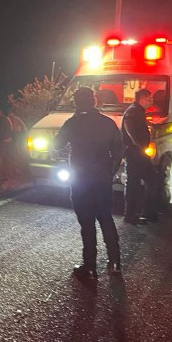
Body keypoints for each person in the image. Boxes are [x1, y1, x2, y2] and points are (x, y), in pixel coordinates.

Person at [53, 87, 123, 279]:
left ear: (76, 102)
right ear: (94, 101)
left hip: (80, 179)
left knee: (87, 222)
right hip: (101, 178)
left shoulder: (71, 123)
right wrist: (110, 172)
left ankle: (90, 267)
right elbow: (118, 152)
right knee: (105, 218)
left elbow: (56, 145)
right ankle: (115, 262)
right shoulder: (108, 123)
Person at [121, 88, 157, 224]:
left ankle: (136, 213)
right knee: (136, 183)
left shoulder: (137, 111)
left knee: (137, 182)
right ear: (142, 99)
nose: (151, 101)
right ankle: (134, 214)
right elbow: (130, 130)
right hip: (136, 153)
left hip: (138, 152)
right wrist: (140, 147)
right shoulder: (133, 111)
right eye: (149, 99)